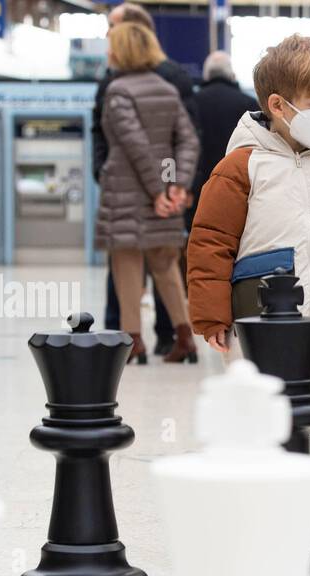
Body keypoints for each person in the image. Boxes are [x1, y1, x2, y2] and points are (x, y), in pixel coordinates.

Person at [187, 35, 310, 463]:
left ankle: (304, 525)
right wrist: (212, 315)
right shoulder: (241, 166)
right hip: (259, 328)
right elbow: (211, 241)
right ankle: (262, 523)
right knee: (261, 431)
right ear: (278, 105)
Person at [92, 1, 201, 353]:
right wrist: (177, 186)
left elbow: (135, 145)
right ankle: (185, 336)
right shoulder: (167, 89)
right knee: (166, 265)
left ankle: (132, 341)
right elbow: (186, 140)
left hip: (127, 193)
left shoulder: (118, 91)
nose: (108, 48)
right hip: (164, 194)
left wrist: (156, 190)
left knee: (127, 266)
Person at [192, 51, 258, 217]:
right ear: (231, 74)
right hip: (239, 184)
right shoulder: (248, 103)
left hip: (199, 186)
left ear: (206, 75)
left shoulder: (193, 102)